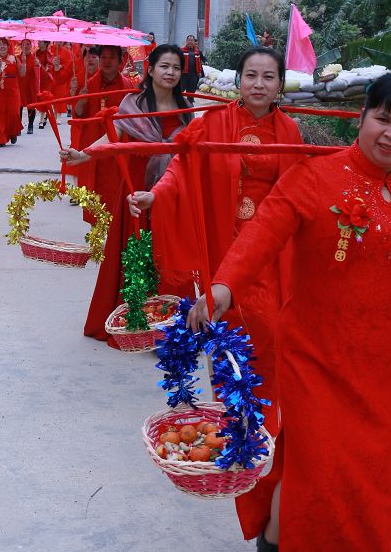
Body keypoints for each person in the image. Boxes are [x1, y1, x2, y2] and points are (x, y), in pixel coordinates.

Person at [185, 72, 391, 552]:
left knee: (373, 474)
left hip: (384, 357)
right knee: (319, 460)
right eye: (383, 118)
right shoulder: (315, 177)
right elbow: (262, 234)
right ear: (361, 116)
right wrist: (223, 287)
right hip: (314, 348)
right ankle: (274, 539)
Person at [128, 47, 302, 441]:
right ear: (239, 80)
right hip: (224, 250)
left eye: (268, 77)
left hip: (270, 255)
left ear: (279, 85)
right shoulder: (214, 123)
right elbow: (181, 168)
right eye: (251, 75)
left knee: (269, 339)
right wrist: (155, 195)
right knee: (225, 337)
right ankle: (229, 426)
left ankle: (263, 429)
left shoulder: (290, 132)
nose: (259, 84)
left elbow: (298, 193)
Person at [61, 44, 194, 344]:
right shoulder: (132, 104)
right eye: (164, 66)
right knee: (135, 254)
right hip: (135, 191)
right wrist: (82, 155)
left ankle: (171, 328)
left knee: (167, 256)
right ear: (150, 70)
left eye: (176, 68)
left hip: (169, 195)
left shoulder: (188, 112)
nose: (170, 72)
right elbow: (113, 138)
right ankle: (133, 322)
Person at [72, 45, 134, 217]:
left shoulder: (127, 87)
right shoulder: (88, 85)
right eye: (104, 57)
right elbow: (77, 118)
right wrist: (80, 105)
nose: (107, 61)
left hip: (117, 146)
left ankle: (114, 233)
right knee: (94, 189)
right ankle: (96, 236)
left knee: (116, 190)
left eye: (111, 57)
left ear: (120, 60)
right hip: (93, 143)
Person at [0, 38, 22, 147]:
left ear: (8, 47)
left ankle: (13, 132)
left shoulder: (14, 58)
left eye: (4, 44)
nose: (2, 46)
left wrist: (24, 63)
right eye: (0, 44)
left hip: (13, 89)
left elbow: (22, 73)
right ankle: (1, 139)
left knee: (13, 113)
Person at [17, 39, 38, 135]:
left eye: (28, 44)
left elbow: (39, 75)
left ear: (31, 46)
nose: (26, 46)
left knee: (31, 106)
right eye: (24, 44)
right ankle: (18, 125)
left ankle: (30, 124)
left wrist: (38, 66)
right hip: (19, 85)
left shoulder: (35, 59)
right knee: (18, 106)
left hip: (30, 86)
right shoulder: (17, 58)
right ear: (21, 46)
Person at [35, 40, 54, 129]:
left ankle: (41, 120)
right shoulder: (36, 53)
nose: (38, 43)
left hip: (46, 80)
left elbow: (49, 68)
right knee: (39, 99)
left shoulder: (49, 54)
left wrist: (41, 67)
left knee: (44, 98)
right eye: (38, 41)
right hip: (38, 79)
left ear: (46, 43)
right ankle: (45, 114)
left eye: (41, 42)